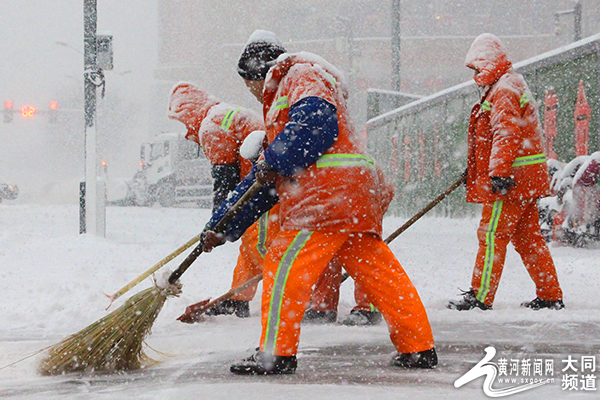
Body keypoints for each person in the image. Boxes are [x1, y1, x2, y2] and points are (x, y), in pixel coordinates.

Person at [201, 30, 436, 375]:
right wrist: (221, 227)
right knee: (381, 274)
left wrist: (276, 159)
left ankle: (275, 353)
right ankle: (418, 347)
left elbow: (316, 124)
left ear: (258, 72)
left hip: (323, 197)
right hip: (356, 195)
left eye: (248, 82)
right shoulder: (297, 91)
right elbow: (262, 186)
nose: (251, 92)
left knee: (283, 266)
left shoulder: (299, 76)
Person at [167, 82, 352, 322]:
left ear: (190, 111)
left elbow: (225, 181)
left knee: (265, 246)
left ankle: (305, 296)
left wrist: (217, 225)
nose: (185, 132)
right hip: (269, 184)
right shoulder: (227, 114)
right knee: (250, 245)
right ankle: (239, 299)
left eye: (182, 122)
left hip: (264, 190)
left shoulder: (211, 126)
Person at [447, 33, 564, 311]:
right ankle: (550, 295)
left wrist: (498, 172)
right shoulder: (509, 84)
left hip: (510, 181)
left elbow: (506, 132)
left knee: (491, 236)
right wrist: (478, 169)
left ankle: (480, 296)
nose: (475, 74)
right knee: (529, 240)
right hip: (525, 180)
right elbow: (500, 137)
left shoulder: (504, 89)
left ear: (488, 63)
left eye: (477, 67)